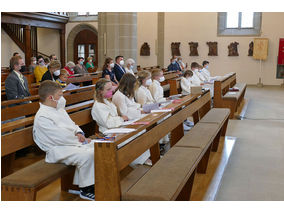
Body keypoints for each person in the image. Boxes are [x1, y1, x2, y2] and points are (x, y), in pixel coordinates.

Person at [33, 80, 95, 200]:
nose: (62, 98)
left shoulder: (59, 109)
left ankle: (81, 184)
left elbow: (72, 124)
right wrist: (79, 140)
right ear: (51, 97)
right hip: (57, 149)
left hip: (69, 144)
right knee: (87, 155)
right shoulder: (42, 116)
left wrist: (78, 132)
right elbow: (58, 137)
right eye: (60, 96)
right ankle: (86, 189)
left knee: (98, 148)